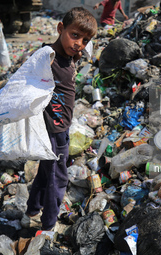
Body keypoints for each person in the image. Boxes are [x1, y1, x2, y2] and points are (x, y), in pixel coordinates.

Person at [20, 7, 97, 231]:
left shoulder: (69, 54)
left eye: (85, 40)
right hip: (54, 129)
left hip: (59, 126)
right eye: (75, 35)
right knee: (58, 178)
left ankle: (32, 211)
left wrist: (78, 48)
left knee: (46, 172)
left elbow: (79, 48)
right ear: (60, 28)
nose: (79, 43)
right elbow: (25, 81)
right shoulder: (48, 58)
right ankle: (48, 226)